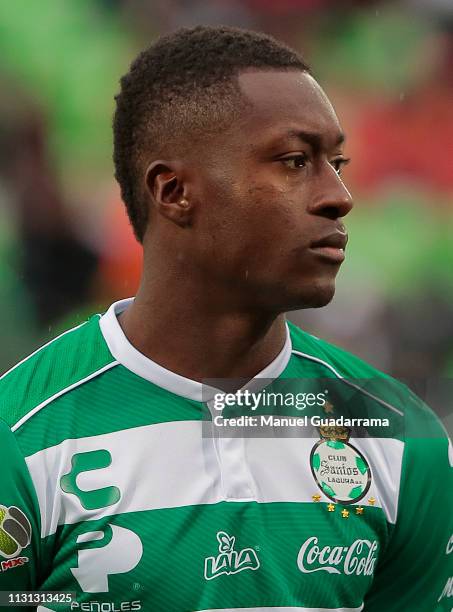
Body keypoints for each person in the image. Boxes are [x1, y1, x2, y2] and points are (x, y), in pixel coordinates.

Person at [0, 26, 451, 612]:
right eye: (295, 161)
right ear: (173, 191)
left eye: (335, 162)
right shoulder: (21, 433)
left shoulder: (400, 434)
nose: (338, 195)